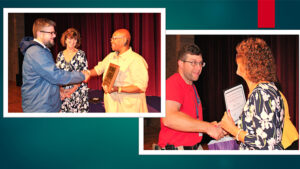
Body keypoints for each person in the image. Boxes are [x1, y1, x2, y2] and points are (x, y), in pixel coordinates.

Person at [220, 37, 285, 150]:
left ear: (250, 64)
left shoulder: (261, 94)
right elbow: (258, 134)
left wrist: (233, 130)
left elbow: (265, 143)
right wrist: (231, 127)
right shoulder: (267, 89)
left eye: (239, 55)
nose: (235, 58)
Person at [157, 44, 224, 150]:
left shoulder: (191, 86)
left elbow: (191, 120)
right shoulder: (172, 84)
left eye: (200, 63)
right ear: (180, 63)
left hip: (194, 148)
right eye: (193, 63)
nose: (198, 68)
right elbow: (169, 118)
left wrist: (212, 126)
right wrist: (207, 127)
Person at [19, 18, 88, 112]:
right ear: (39, 33)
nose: (54, 35)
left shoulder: (42, 50)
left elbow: (47, 78)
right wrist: (82, 75)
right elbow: (56, 75)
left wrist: (60, 91)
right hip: (40, 107)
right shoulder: (36, 52)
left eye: (54, 32)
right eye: (51, 33)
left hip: (46, 104)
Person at [85, 28, 148, 112]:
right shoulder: (111, 56)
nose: (111, 41)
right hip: (111, 106)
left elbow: (141, 87)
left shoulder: (136, 60)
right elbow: (98, 69)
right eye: (111, 39)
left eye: (114, 38)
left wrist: (117, 89)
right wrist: (87, 73)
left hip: (129, 109)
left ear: (124, 40)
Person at [56, 28, 89, 113]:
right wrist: (61, 90)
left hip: (78, 92)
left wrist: (72, 90)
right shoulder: (59, 55)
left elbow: (84, 75)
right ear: (65, 40)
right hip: (63, 93)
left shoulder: (81, 54)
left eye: (75, 39)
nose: (72, 41)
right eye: (70, 38)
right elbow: (57, 75)